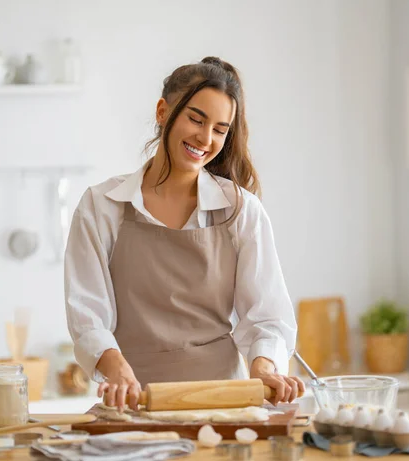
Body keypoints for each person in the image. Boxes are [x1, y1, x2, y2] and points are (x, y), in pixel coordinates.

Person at [65, 56, 304, 412]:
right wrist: (116, 371)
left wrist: (264, 369)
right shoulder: (102, 206)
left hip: (225, 404)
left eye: (221, 129)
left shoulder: (241, 211)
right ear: (163, 112)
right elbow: (87, 316)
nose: (205, 138)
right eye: (196, 118)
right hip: (135, 403)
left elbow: (267, 317)